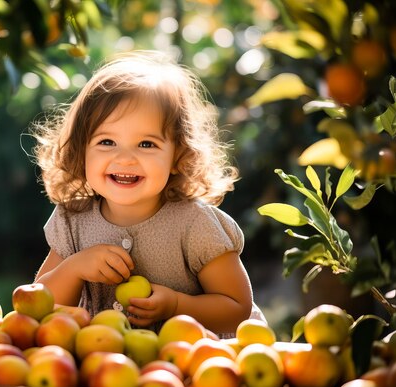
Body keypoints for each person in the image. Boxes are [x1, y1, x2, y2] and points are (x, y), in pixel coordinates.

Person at [29, 50, 264, 337]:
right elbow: (38, 306)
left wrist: (177, 305)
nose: (125, 158)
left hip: (193, 367)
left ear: (179, 154)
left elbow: (237, 309)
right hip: (104, 365)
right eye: (107, 141)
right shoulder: (73, 219)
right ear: (81, 150)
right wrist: (73, 268)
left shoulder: (195, 226)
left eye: (146, 144)